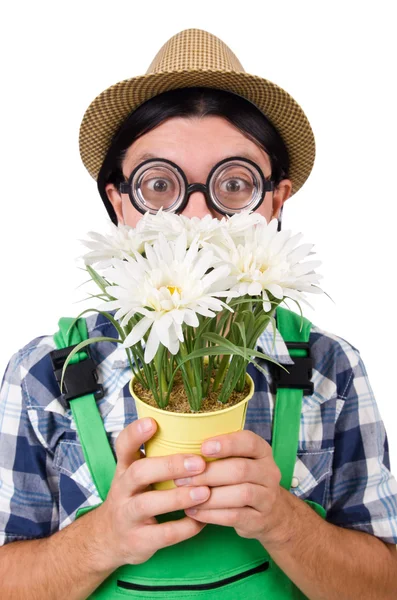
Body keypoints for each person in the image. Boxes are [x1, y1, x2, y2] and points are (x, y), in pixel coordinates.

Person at [1, 28, 397, 599]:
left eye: (233, 184)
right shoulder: (45, 373)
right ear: (118, 202)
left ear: (276, 202)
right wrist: (101, 540)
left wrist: (285, 523)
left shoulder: (329, 367)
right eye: (158, 184)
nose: (195, 216)